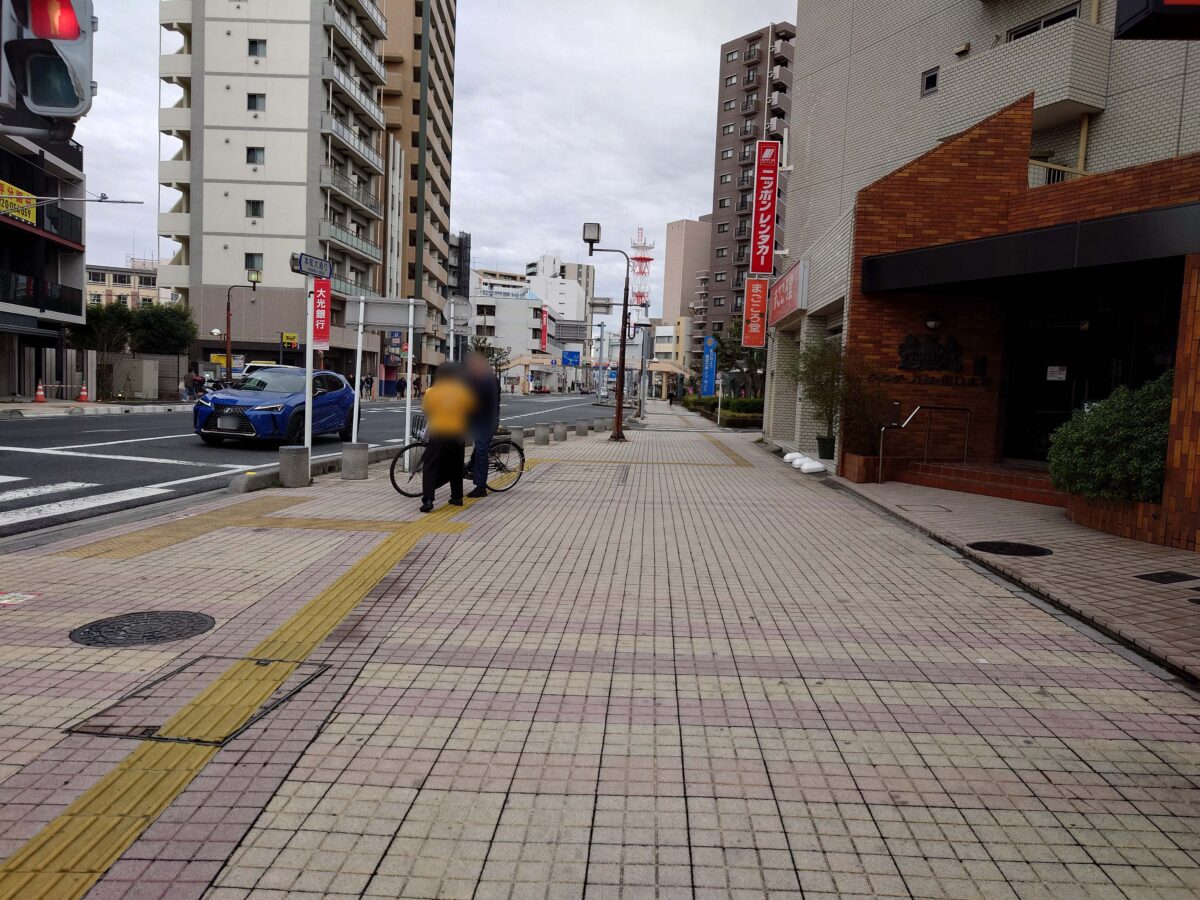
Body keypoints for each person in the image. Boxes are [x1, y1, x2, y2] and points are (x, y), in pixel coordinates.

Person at [419, 363, 475, 513]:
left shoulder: (431, 392)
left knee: (430, 466)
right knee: (456, 465)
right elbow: (470, 409)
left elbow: (427, 410)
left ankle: (428, 500)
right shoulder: (463, 391)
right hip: (457, 433)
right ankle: (457, 497)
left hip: (438, 433)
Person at [465, 352, 501, 499]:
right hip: (475, 418)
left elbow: (478, 399)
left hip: (487, 420)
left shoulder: (489, 380)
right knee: (475, 448)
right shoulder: (473, 379)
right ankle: (469, 469)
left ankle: (481, 487)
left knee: (481, 451)